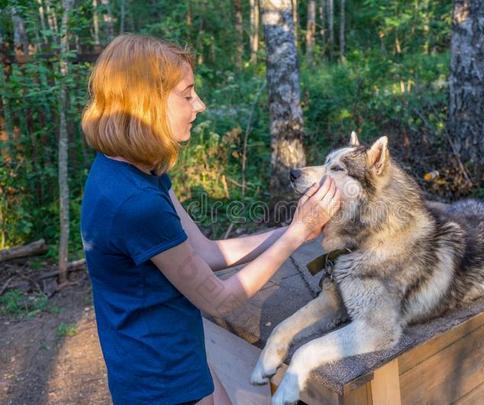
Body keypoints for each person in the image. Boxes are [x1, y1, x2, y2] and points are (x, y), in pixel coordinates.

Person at [80, 34, 340, 405]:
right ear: (147, 102)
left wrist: (299, 227)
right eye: (187, 94)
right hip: (160, 383)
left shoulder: (131, 169)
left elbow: (206, 252)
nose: (198, 104)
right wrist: (297, 233)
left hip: (168, 354)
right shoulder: (136, 204)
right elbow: (218, 300)